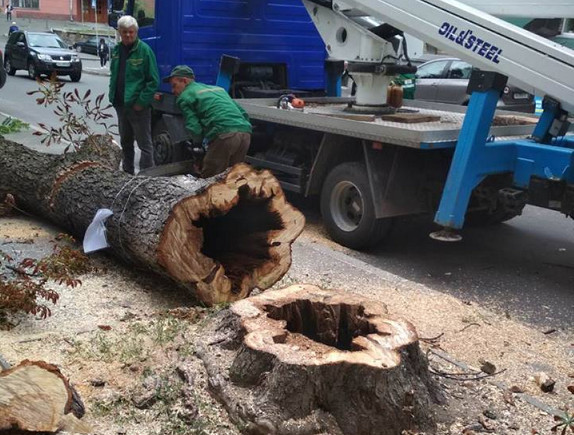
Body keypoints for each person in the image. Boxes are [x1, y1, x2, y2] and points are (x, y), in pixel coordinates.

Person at [162, 65, 252, 178]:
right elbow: (243, 113)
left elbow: (193, 125)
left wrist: (197, 147)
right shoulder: (217, 90)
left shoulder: (185, 97)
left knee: (210, 179)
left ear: (184, 81)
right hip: (245, 134)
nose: (173, 91)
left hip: (224, 135)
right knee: (234, 179)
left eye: (174, 86)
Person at [109, 15, 159, 175]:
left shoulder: (144, 51)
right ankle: (127, 173)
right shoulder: (117, 50)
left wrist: (141, 102)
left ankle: (146, 176)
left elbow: (153, 81)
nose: (128, 35)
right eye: (124, 32)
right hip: (121, 104)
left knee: (145, 144)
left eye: (131, 32)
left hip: (138, 107)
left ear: (136, 32)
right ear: (119, 32)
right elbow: (114, 74)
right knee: (126, 141)